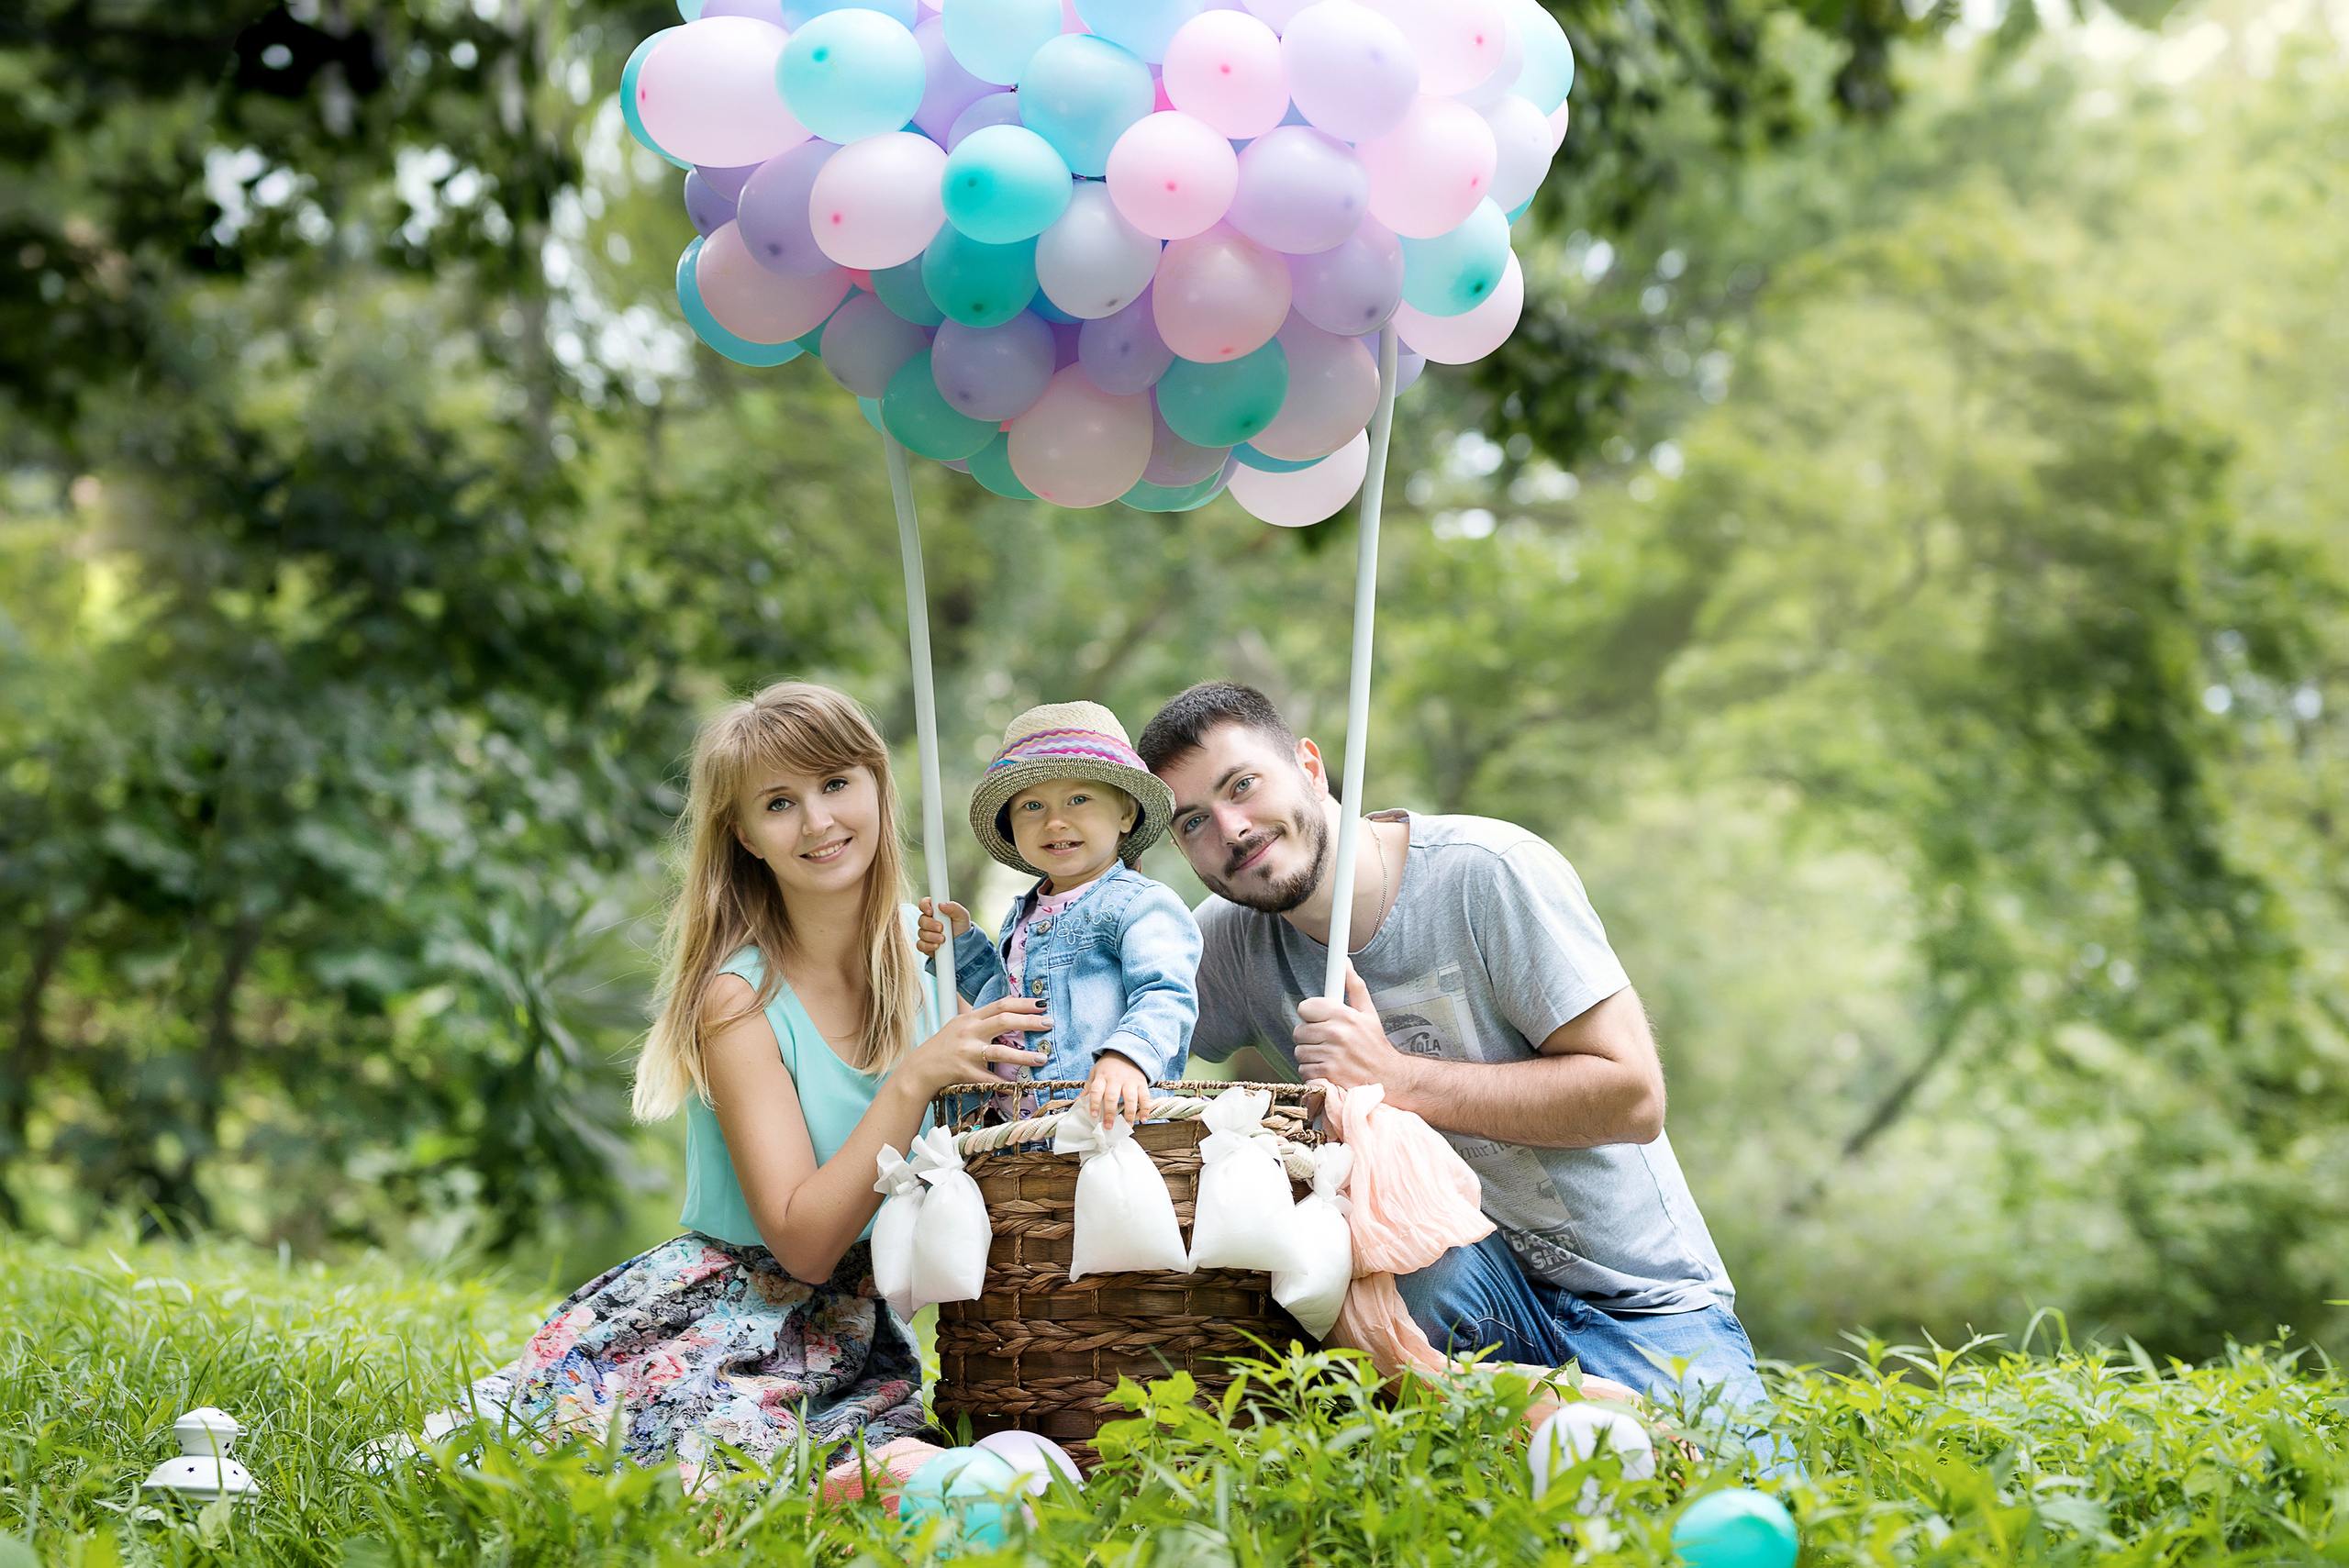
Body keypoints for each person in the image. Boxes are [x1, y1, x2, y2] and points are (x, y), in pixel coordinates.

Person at [461, 681, 1051, 1473]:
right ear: (744, 833)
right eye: (780, 802)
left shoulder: (936, 972)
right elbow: (802, 1242)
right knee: (715, 1473)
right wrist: (912, 1081)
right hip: (725, 1315)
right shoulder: (739, 998)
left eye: (836, 783)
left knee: (918, 1470)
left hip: (858, 1335)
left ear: (878, 782)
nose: (818, 821)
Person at [1136, 681, 1764, 1416]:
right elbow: (1096, 1043)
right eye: (1193, 823)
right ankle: (1494, 1423)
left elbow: (1634, 1096)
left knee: (1728, 1508)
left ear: (1309, 765)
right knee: (1368, 1251)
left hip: (1641, 1303)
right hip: (1456, 1298)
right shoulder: (1228, 943)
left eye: (1243, 784)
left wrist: (1394, 1076)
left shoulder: (1487, 873)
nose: (1232, 829)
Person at [914, 701, 1201, 1126]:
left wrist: (1128, 1056)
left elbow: (1166, 993)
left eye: (1078, 799)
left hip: (1108, 1126)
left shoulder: (1140, 905)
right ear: (1010, 823)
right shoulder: (1025, 914)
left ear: (1125, 813)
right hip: (1023, 1132)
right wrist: (960, 948)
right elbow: (1012, 1001)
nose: (1054, 822)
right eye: (1031, 807)